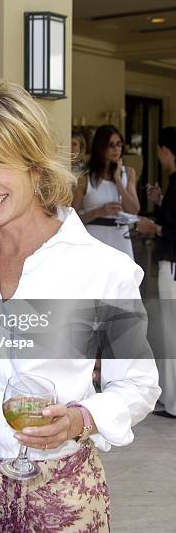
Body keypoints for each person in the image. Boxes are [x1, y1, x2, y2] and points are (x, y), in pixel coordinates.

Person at [0, 79, 160, 532]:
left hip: (62, 494)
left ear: (35, 166)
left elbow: (139, 384)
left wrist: (81, 418)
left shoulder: (103, 269)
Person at [137, 127, 176, 418]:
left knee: (170, 332)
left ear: (165, 150)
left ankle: (173, 402)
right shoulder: (173, 184)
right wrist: (161, 202)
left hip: (172, 265)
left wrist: (155, 228)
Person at [73, 124, 140, 259]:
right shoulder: (85, 177)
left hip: (121, 238)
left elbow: (134, 209)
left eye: (119, 144)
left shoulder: (128, 172)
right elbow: (72, 218)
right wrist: (99, 212)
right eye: (111, 145)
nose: (116, 149)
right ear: (101, 147)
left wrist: (118, 181)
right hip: (95, 239)